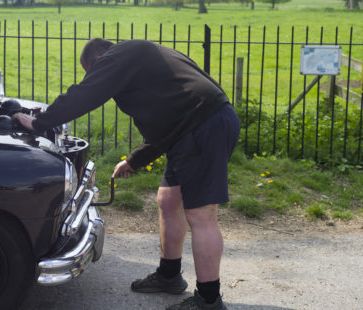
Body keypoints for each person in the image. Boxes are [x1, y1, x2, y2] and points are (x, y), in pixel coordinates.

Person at [13, 38, 240, 310]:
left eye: (93, 70)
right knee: (168, 201)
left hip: (203, 126)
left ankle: (209, 300)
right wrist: (134, 161)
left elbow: (88, 91)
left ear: (99, 60)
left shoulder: (123, 52)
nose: (96, 75)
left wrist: (39, 121)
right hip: (189, 129)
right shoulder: (143, 61)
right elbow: (166, 122)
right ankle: (169, 276)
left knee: (201, 216)